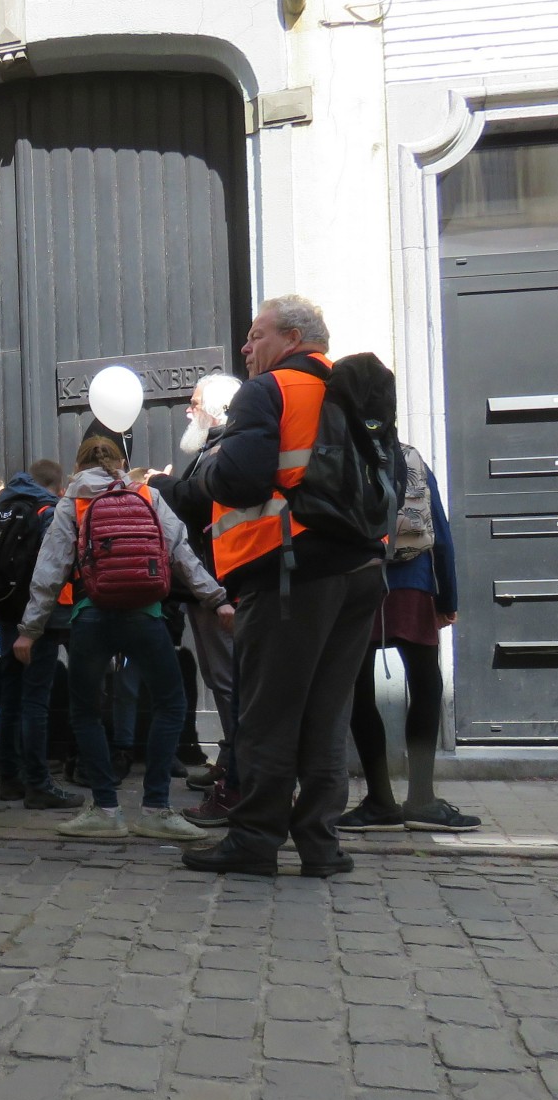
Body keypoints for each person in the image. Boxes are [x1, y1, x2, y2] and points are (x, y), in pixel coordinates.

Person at [181, 296, 388, 878]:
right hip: (361, 572)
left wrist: (199, 476)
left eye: (256, 335)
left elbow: (242, 479)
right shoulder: (350, 390)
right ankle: (320, 845)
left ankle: (254, 839)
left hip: (292, 573)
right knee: (327, 714)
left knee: (269, 714)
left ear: (292, 337)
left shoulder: (270, 391)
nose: (246, 348)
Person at [14, 437, 227, 842]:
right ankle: (156, 809)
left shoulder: (72, 501)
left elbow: (50, 569)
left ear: (78, 464)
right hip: (144, 616)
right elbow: (181, 550)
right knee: (170, 703)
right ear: (121, 462)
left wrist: (30, 629)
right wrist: (215, 599)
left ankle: (106, 810)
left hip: (90, 616)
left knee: (85, 711)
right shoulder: (144, 493)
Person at [338, 442, 476, 833]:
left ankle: (380, 799)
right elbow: (440, 532)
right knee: (427, 682)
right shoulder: (409, 457)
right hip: (413, 582)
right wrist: (447, 597)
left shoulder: (335, 454)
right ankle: (421, 799)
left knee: (359, 687)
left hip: (356, 583)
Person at [158, 374, 245, 822]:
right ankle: (230, 763)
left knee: (228, 681)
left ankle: (239, 780)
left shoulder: (226, 447)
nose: (188, 410)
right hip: (206, 584)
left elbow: (198, 502)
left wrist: (161, 486)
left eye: (194, 403)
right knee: (220, 677)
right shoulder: (214, 447)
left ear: (217, 409)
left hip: (220, 585)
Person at [0, 459, 83, 810]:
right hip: (40, 619)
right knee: (35, 701)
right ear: (59, 489)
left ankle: (10, 780)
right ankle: (38, 783)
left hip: (8, 614)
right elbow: (50, 571)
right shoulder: (48, 513)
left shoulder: (4, 508)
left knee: (10, 696)